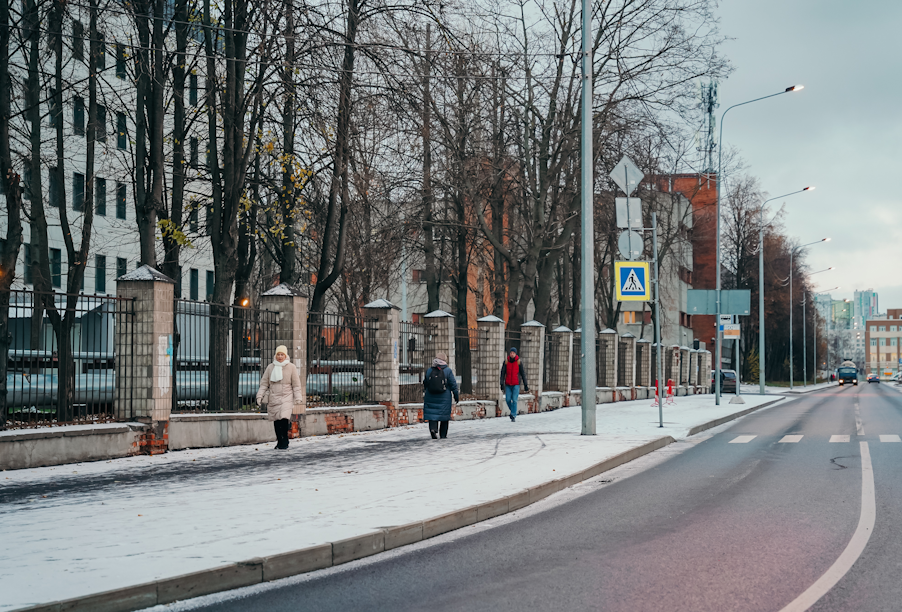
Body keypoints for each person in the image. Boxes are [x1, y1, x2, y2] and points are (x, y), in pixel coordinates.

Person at [256, 345, 303, 450]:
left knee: (283, 419)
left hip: (286, 397)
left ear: (285, 355)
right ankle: (279, 441)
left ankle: (285, 441)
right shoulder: (270, 367)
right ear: (275, 355)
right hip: (273, 397)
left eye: (282, 354)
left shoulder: (291, 367)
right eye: (278, 354)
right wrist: (259, 396)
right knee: (276, 421)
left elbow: (296, 384)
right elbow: (264, 384)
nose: (280, 356)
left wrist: (298, 397)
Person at [422, 352, 459, 439]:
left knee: (432, 415)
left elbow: (425, 382)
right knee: (444, 417)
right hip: (444, 397)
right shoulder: (448, 371)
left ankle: (433, 429)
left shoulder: (429, 370)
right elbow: (453, 384)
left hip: (430, 396)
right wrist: (456, 395)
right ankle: (443, 434)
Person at [500, 347, 529, 422]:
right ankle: (513, 410)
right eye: (511, 353)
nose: (512, 354)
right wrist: (501, 383)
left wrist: (526, 384)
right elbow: (502, 373)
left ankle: (513, 414)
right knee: (508, 399)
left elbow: (523, 374)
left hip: (516, 384)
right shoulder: (506, 362)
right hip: (508, 384)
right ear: (509, 354)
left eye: (513, 353)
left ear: (515, 354)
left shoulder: (519, 362)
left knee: (514, 400)